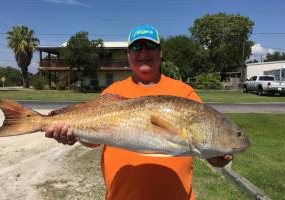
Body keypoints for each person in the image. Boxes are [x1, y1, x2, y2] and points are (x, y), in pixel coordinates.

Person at [45, 25, 232, 200]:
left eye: (150, 46)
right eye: (136, 48)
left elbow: (202, 138)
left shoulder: (185, 93)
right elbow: (93, 141)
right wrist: (72, 134)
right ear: (128, 54)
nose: (143, 52)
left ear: (160, 52)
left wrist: (214, 157)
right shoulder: (112, 93)